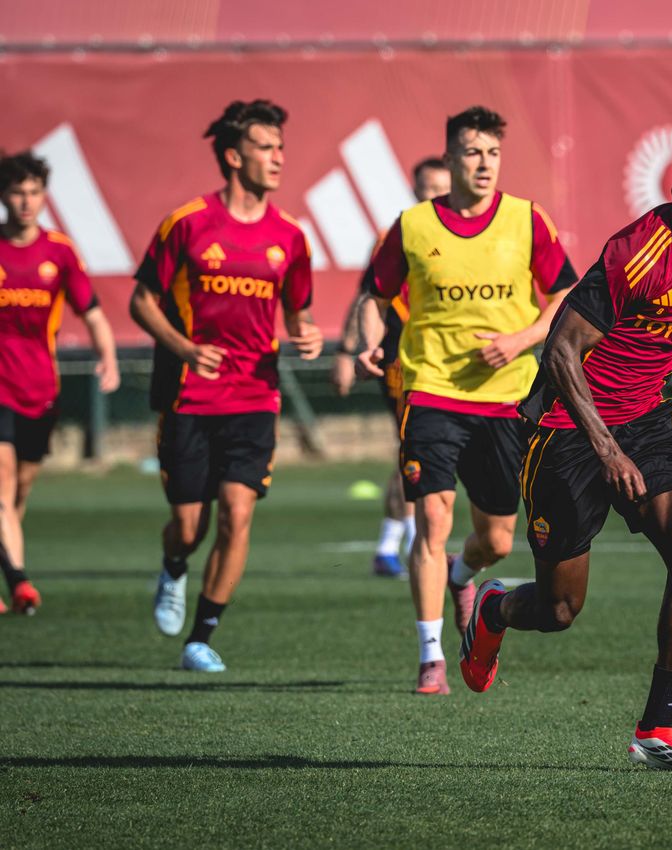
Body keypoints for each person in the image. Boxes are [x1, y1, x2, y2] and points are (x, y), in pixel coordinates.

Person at [460, 139, 672, 772]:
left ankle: (657, 727)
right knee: (558, 611)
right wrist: (605, 450)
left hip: (645, 425)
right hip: (566, 429)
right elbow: (559, 352)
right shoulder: (635, 254)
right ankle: (494, 607)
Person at [359, 106, 578, 695]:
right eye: (472, 152)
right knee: (432, 516)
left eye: (493, 154)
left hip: (507, 400)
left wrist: (523, 339)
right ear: (450, 158)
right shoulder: (412, 227)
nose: (483, 164)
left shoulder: (527, 220)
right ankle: (431, 655)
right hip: (431, 390)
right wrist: (367, 341)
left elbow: (565, 293)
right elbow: (373, 296)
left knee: (499, 540)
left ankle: (464, 579)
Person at [129, 99, 322, 671]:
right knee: (190, 526)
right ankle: (174, 566)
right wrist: (186, 348)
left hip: (254, 397)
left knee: (238, 513)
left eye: (281, 147)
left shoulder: (290, 236)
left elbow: (297, 312)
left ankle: (201, 636)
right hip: (189, 395)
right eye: (267, 147)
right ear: (235, 157)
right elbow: (142, 301)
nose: (279, 157)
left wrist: (305, 334)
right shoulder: (187, 223)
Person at [0, 150, 120, 614]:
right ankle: (20, 583)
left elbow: (92, 313)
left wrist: (107, 357)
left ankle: (10, 571)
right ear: (4, 196)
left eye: (34, 193)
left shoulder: (59, 252)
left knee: (18, 492)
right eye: (17, 192)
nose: (26, 202)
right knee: (2, 482)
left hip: (39, 389)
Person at [331, 157, 450, 579]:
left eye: (439, 188)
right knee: (415, 447)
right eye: (424, 189)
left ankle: (411, 540)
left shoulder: (472, 235)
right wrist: (348, 351)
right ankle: (392, 546)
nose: (431, 196)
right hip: (405, 359)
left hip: (455, 361)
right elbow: (369, 296)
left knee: (437, 452)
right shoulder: (397, 234)